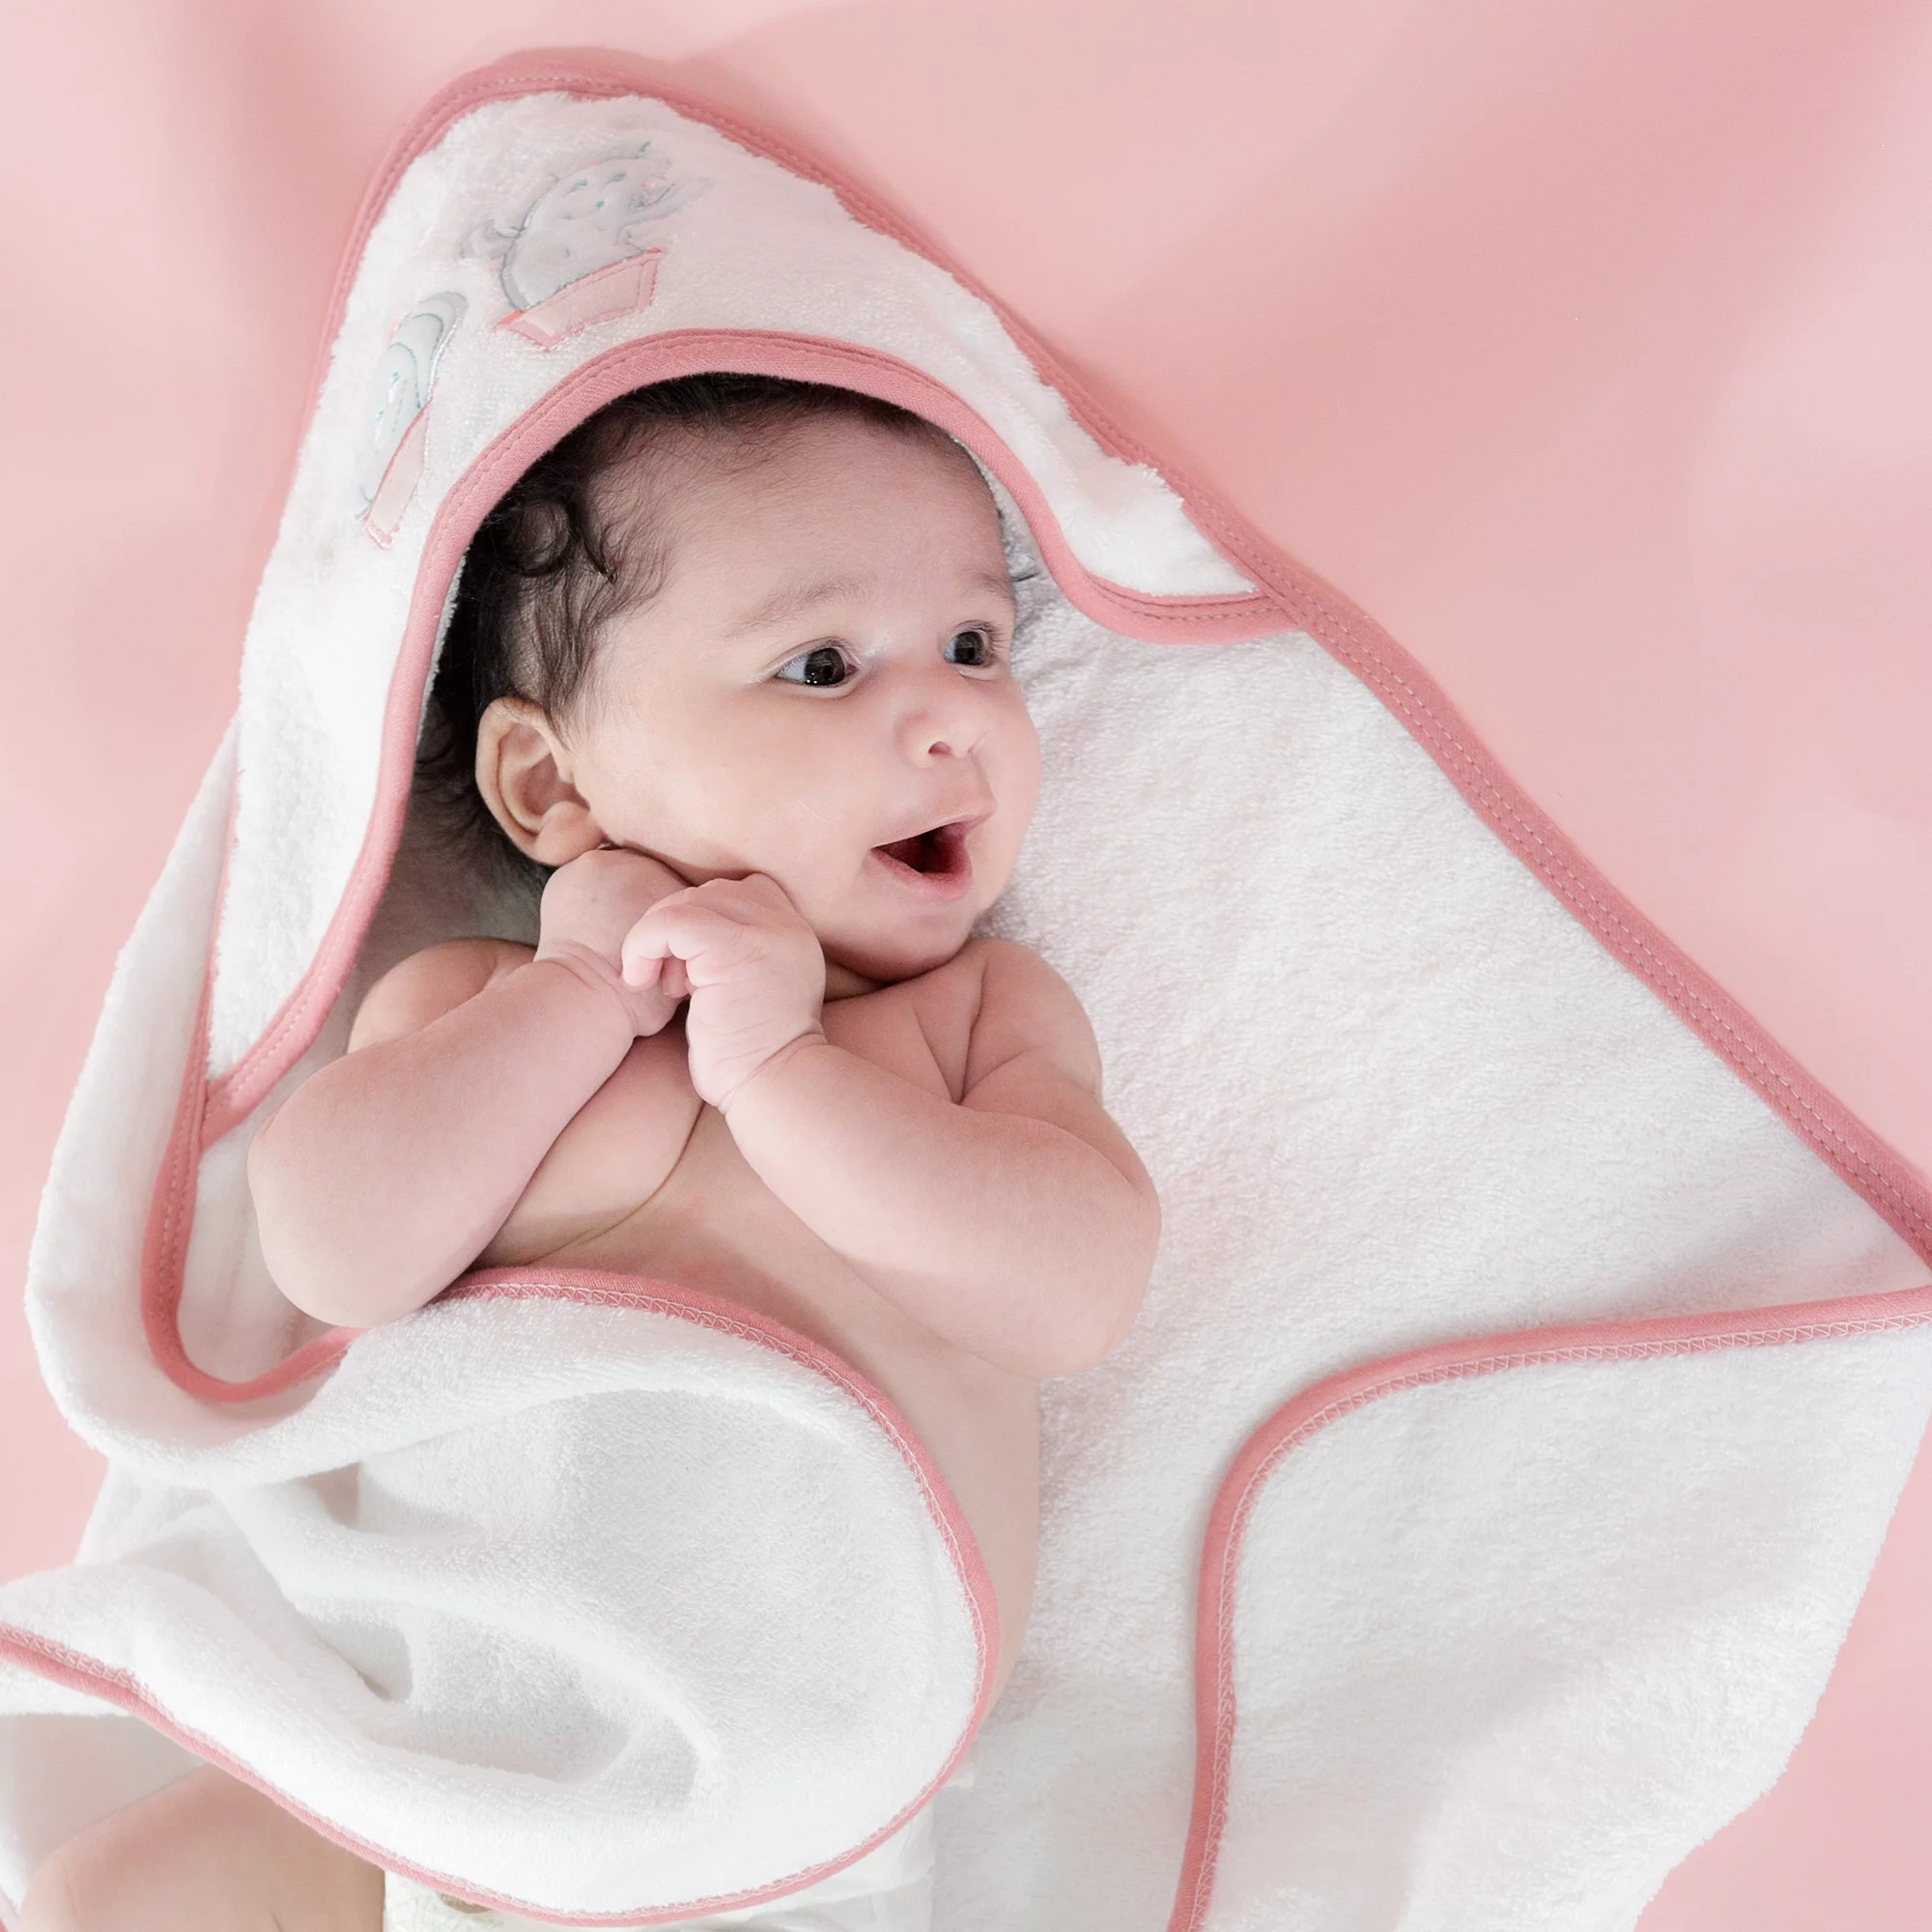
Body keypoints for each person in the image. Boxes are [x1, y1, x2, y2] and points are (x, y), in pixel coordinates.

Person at [18, 373, 1161, 1931]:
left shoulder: (971, 1030)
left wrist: (787, 1067)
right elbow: (332, 1250)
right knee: (114, 1897)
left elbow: (1075, 1287)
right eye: (824, 664)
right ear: (551, 785)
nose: (953, 710)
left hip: (774, 1830)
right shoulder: (479, 1007)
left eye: (977, 645)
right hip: (434, 1746)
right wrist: (567, 1000)